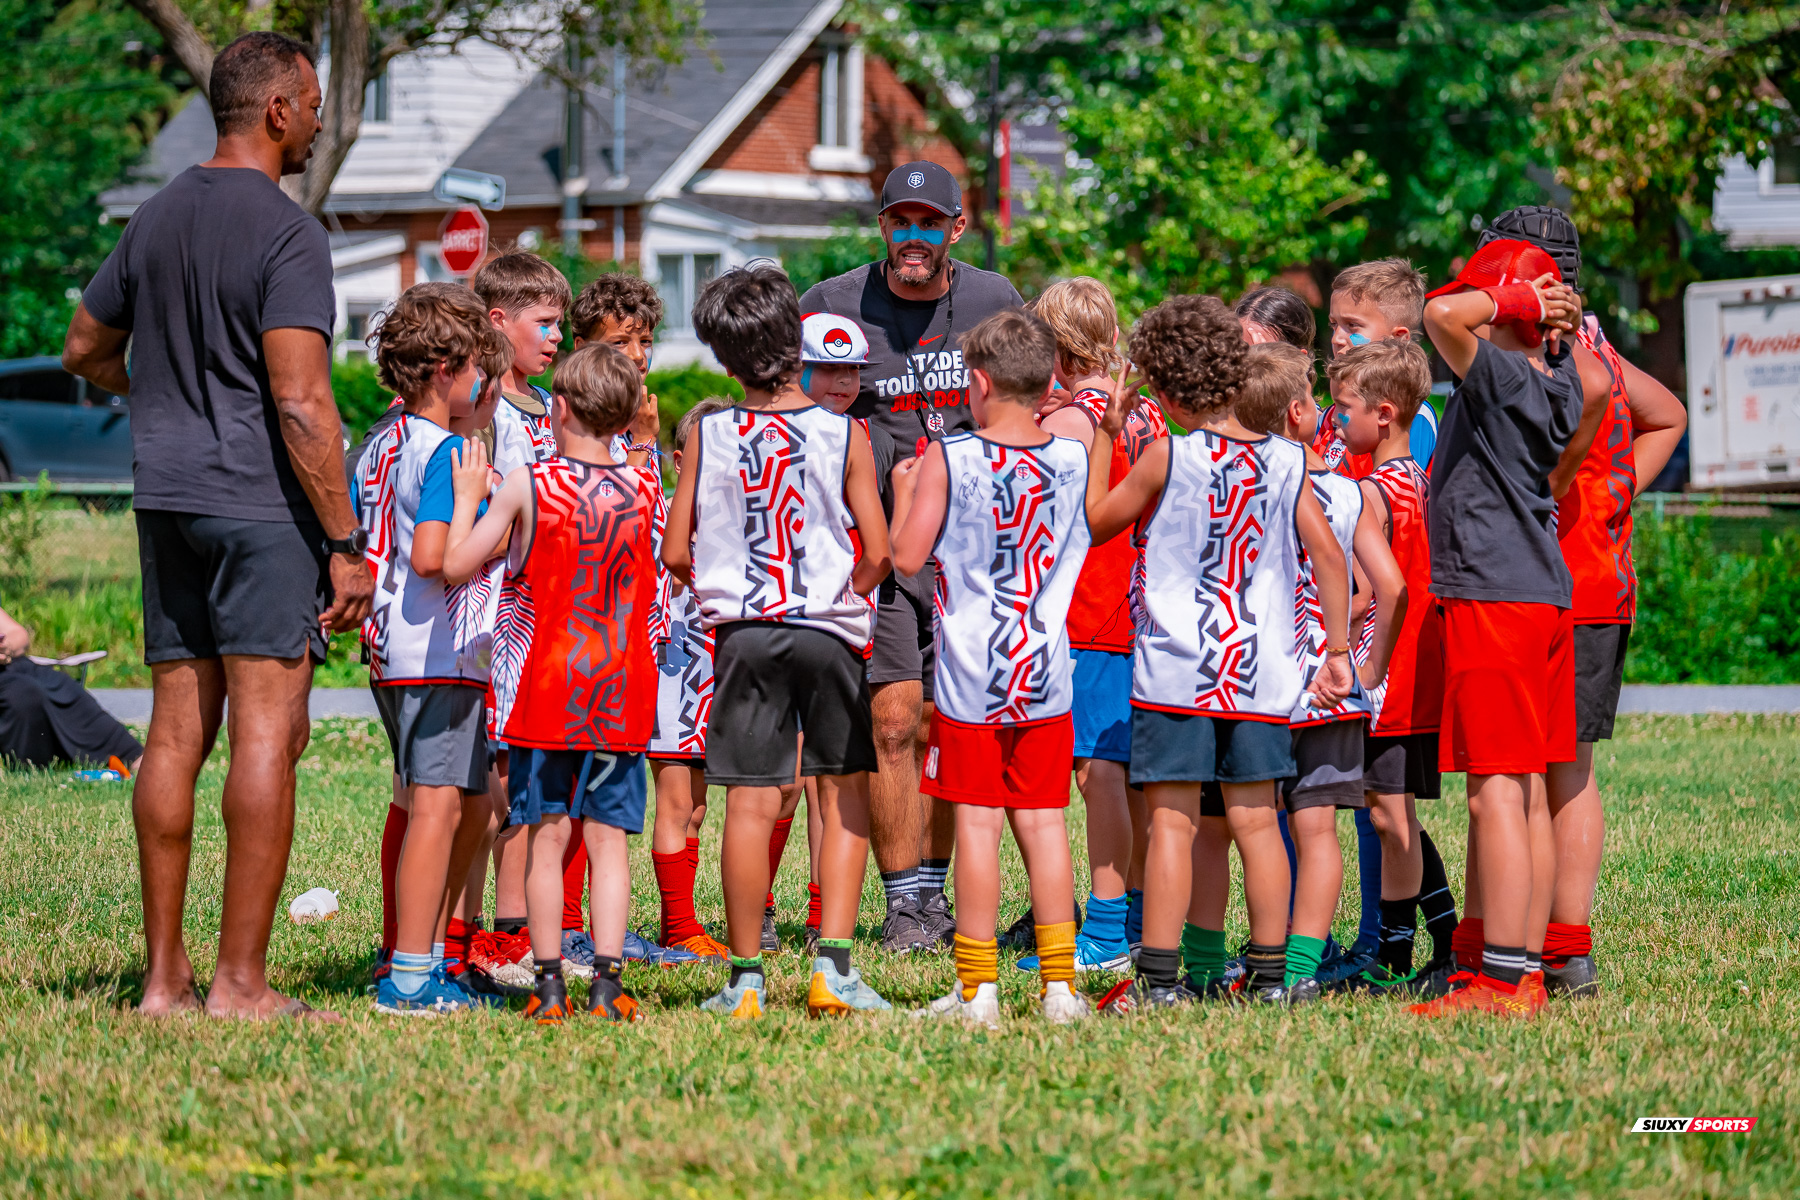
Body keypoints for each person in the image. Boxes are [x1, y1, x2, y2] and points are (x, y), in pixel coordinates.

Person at [61, 31, 374, 1019]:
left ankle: (164, 984)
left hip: (167, 501)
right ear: (278, 110)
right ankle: (239, 982)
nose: (321, 120)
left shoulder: (155, 216)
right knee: (267, 738)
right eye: (315, 103)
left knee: (173, 737)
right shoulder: (290, 234)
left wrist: (158, 396)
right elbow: (302, 403)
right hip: (260, 509)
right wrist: (346, 542)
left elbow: (84, 348)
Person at [1085, 296, 1353, 1013]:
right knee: (1259, 822)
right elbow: (1328, 558)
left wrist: (1110, 435)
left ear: (1166, 393)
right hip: (1262, 675)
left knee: (1173, 824)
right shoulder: (1287, 462)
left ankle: (1163, 982)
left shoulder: (1167, 454)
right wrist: (1333, 650)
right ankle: (1273, 980)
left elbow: (1095, 523)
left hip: (1177, 672)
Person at [798, 162, 1024, 952]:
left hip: (976, 554)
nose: (915, 238)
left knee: (949, 722)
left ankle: (938, 892)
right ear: (883, 226)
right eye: (902, 221)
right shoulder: (830, 305)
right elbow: (799, 413)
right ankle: (907, 907)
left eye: (932, 223)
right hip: (879, 551)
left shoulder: (996, 300)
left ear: (957, 229)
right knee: (892, 722)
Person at [663, 263, 893, 1018]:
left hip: (746, 633)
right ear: (798, 342)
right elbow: (879, 551)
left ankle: (744, 979)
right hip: (828, 631)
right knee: (844, 792)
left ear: (724, 361)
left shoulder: (711, 432)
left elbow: (674, 549)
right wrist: (843, 592)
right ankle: (833, 969)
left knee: (750, 802)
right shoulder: (844, 432)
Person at [1471, 206, 1685, 998]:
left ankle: (1549, 946)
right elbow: (1668, 414)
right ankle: (1561, 947)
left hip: (1551, 585)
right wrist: (1614, 495)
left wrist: (1585, 499)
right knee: (1569, 770)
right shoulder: (1596, 342)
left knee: (1538, 773)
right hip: (1599, 581)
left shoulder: (1544, 347)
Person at [443, 342, 658, 1024]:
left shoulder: (529, 483)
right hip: (623, 687)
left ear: (557, 407)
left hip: (551, 688)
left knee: (546, 837)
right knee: (609, 844)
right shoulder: (647, 489)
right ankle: (608, 983)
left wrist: (468, 499)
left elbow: (456, 565)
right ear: (627, 416)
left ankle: (548, 986)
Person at [888, 308, 1093, 1027]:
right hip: (1045, 665)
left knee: (975, 826)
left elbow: (906, 556)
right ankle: (1062, 989)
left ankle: (978, 992)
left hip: (973, 672)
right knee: (1043, 825)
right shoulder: (1074, 457)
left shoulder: (953, 455)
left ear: (977, 382)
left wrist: (906, 490)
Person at [1409, 239, 1583, 1019]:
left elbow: (1440, 313)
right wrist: (1552, 321)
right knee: (1528, 789)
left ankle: (1501, 984)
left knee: (1494, 795)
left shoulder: (1504, 371)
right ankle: (1524, 969)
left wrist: (1519, 301)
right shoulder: (1558, 377)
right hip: (1538, 592)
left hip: (1495, 594)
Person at [352, 283, 511, 1015]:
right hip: (436, 655)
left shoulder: (379, 444)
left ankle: (426, 958)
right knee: (437, 811)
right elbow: (432, 557)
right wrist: (489, 509)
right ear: (447, 367)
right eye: (478, 368)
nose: (483, 384)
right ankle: (411, 976)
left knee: (460, 805)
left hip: (392, 650)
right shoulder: (446, 450)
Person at [1233, 342, 1408, 1003]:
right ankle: (1303, 970)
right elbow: (1385, 588)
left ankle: (1265, 961)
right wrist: (1364, 666)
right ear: (1302, 412)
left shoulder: (1243, 487)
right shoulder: (1345, 491)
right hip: (1334, 690)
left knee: (1255, 828)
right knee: (1319, 829)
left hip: (1257, 686)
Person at [555, 271, 700, 971]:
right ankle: (564, 927)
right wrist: (642, 447)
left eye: (644, 341)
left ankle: (590, 928)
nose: (638, 356)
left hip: (637, 637)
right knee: (574, 795)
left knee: (609, 794)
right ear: (581, 348)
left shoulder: (627, 421)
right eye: (621, 342)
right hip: (582, 639)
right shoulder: (575, 431)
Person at [1022, 277, 1165, 971]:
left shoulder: (1075, 419)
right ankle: (1134, 915)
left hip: (1091, 612)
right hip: (1134, 611)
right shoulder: (1142, 412)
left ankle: (1106, 931)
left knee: (1098, 773)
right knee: (1127, 773)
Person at [460, 251, 574, 993]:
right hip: (491, 620)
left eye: (561, 322)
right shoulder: (485, 413)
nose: (558, 336)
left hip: (541, 625)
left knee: (526, 782)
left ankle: (511, 936)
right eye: (545, 322)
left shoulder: (543, 406)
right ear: (497, 322)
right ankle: (464, 935)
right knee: (489, 789)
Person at [645, 396, 735, 964]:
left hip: (713, 677)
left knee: (697, 805)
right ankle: (678, 926)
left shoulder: (734, 517)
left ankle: (678, 922)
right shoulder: (666, 512)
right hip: (674, 673)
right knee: (677, 801)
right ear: (680, 460)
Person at [0, 608, 142, 773]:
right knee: (26, 693)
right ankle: (33, 766)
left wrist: (7, 646)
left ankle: (132, 756)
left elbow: (18, 634)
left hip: (15, 666)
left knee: (62, 685)